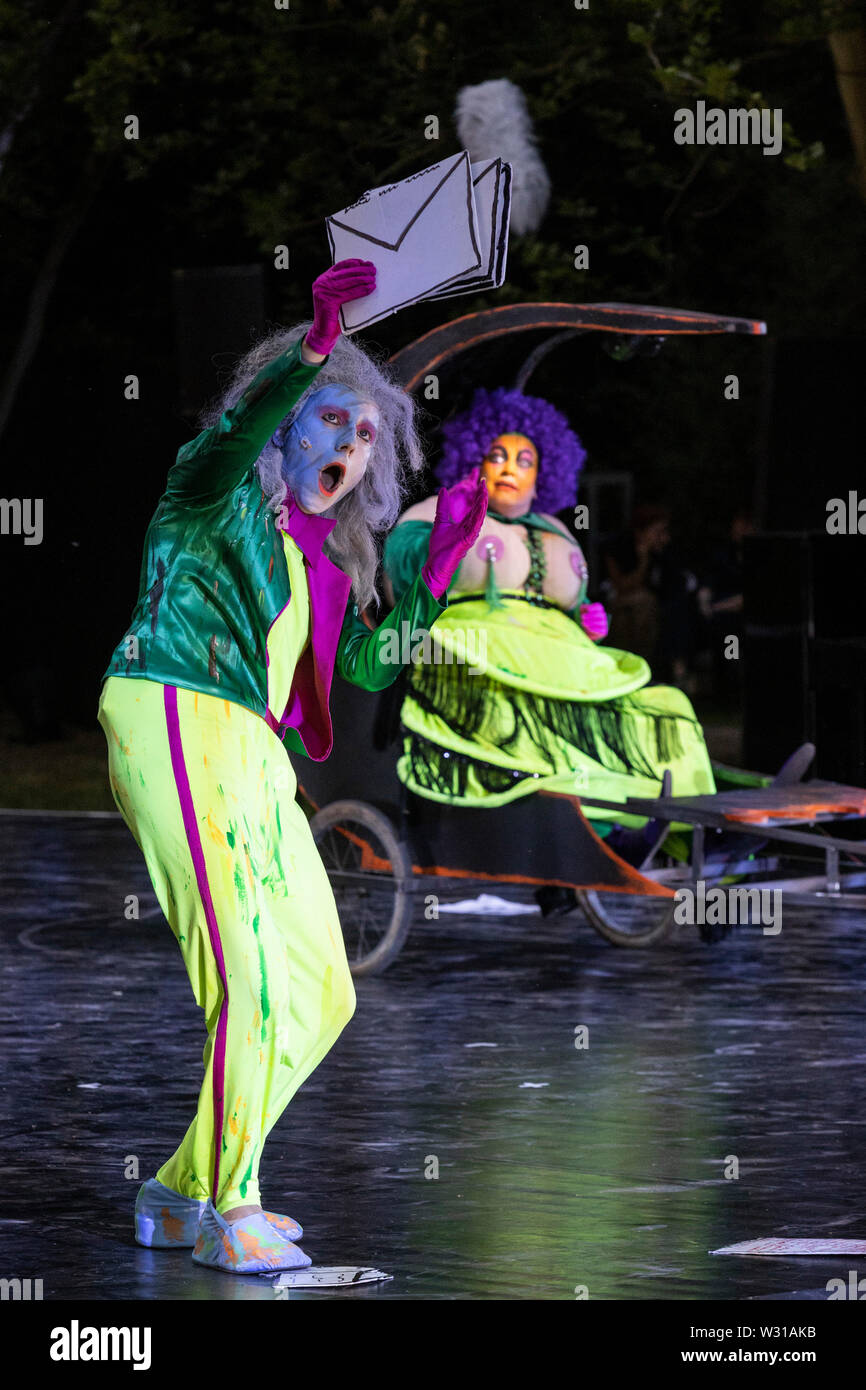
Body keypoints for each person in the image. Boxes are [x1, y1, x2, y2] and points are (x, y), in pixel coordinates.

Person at [96, 260, 487, 1274]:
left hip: (254, 751)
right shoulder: (209, 488)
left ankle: (181, 1188)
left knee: (320, 986)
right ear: (281, 420)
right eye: (330, 423)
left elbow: (358, 666)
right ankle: (236, 1201)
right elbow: (230, 436)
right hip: (178, 703)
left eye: (364, 439)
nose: (349, 452)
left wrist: (429, 584)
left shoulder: (311, 558)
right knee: (251, 976)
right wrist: (315, 346)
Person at [382, 387, 716, 850]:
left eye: (524, 461)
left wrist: (585, 618)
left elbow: (571, 603)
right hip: (476, 656)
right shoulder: (436, 513)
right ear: (473, 458)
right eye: (497, 455)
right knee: (544, 722)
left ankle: (690, 823)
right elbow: (401, 582)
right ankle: (601, 834)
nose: (509, 469)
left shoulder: (554, 529)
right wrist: (444, 539)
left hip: (563, 655)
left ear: (543, 475)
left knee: (658, 709)